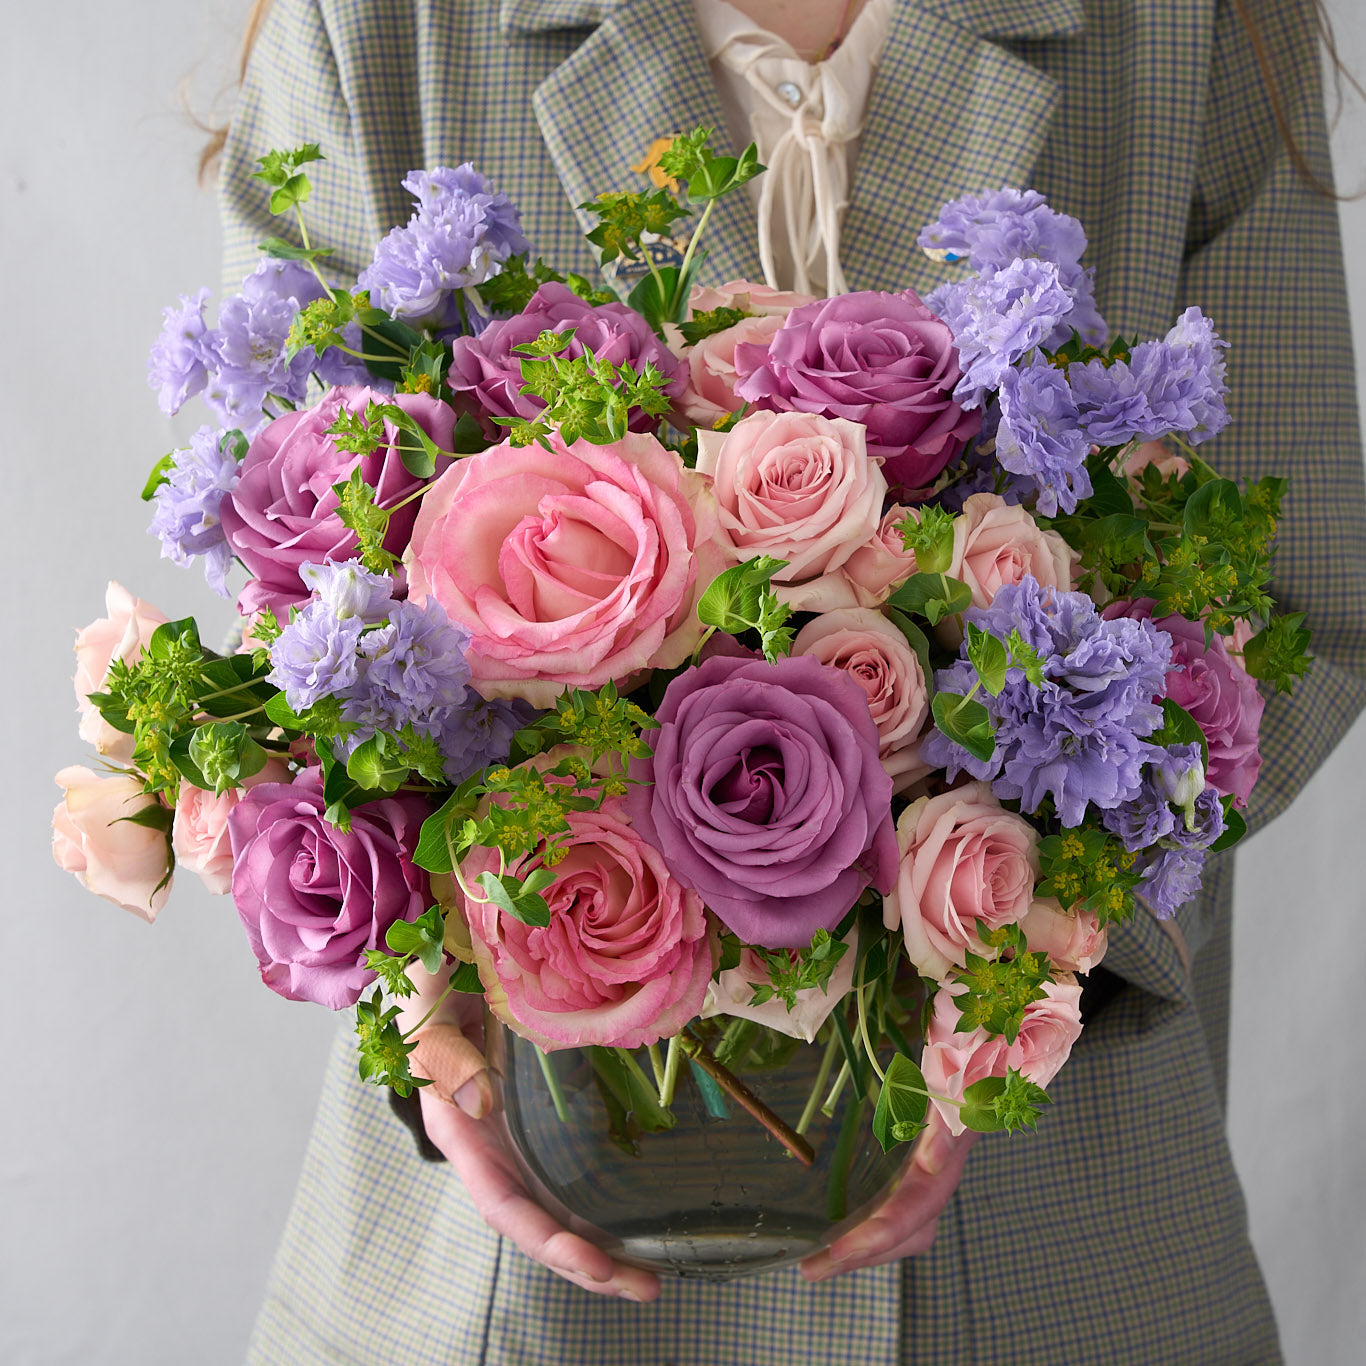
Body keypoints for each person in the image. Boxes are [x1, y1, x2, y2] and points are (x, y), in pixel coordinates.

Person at [216, 1, 1366, 1361]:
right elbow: (290, 613)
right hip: (521, 1266)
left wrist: (1004, 967)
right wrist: (436, 1017)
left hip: (1043, 1252)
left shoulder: (1182, 27)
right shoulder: (380, 22)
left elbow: (1291, 611)